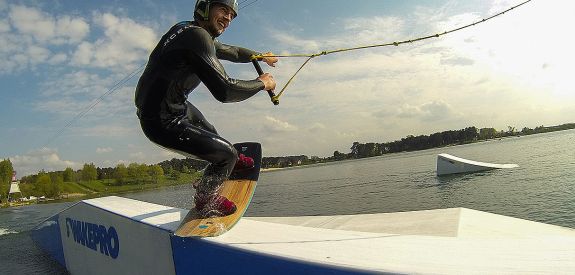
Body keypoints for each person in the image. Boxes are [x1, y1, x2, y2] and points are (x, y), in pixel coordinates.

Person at [135, 0, 277, 217]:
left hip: (174, 106)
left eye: (232, 14)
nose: (228, 18)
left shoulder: (187, 30)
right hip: (160, 122)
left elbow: (232, 51)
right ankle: (206, 198)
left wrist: (259, 55)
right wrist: (262, 83)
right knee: (226, 154)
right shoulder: (197, 37)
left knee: (211, 134)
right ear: (204, 7)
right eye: (223, 10)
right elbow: (225, 91)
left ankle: (228, 165)